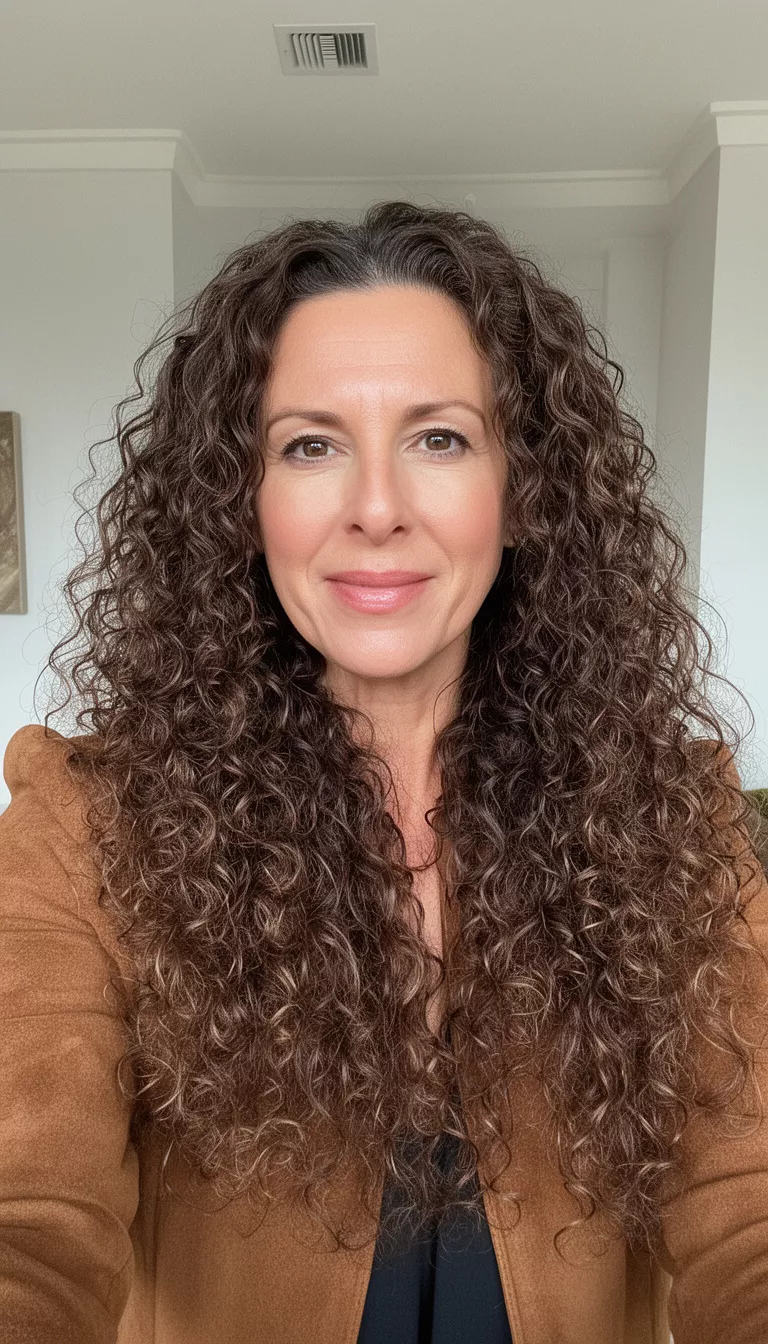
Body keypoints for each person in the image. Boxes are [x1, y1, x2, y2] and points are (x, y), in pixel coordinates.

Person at [1, 200, 767, 1344]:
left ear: (525, 493)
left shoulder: (670, 818)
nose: (374, 509)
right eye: (310, 444)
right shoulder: (87, 820)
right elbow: (31, 1217)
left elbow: (747, 1208)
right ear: (240, 503)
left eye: (440, 438)